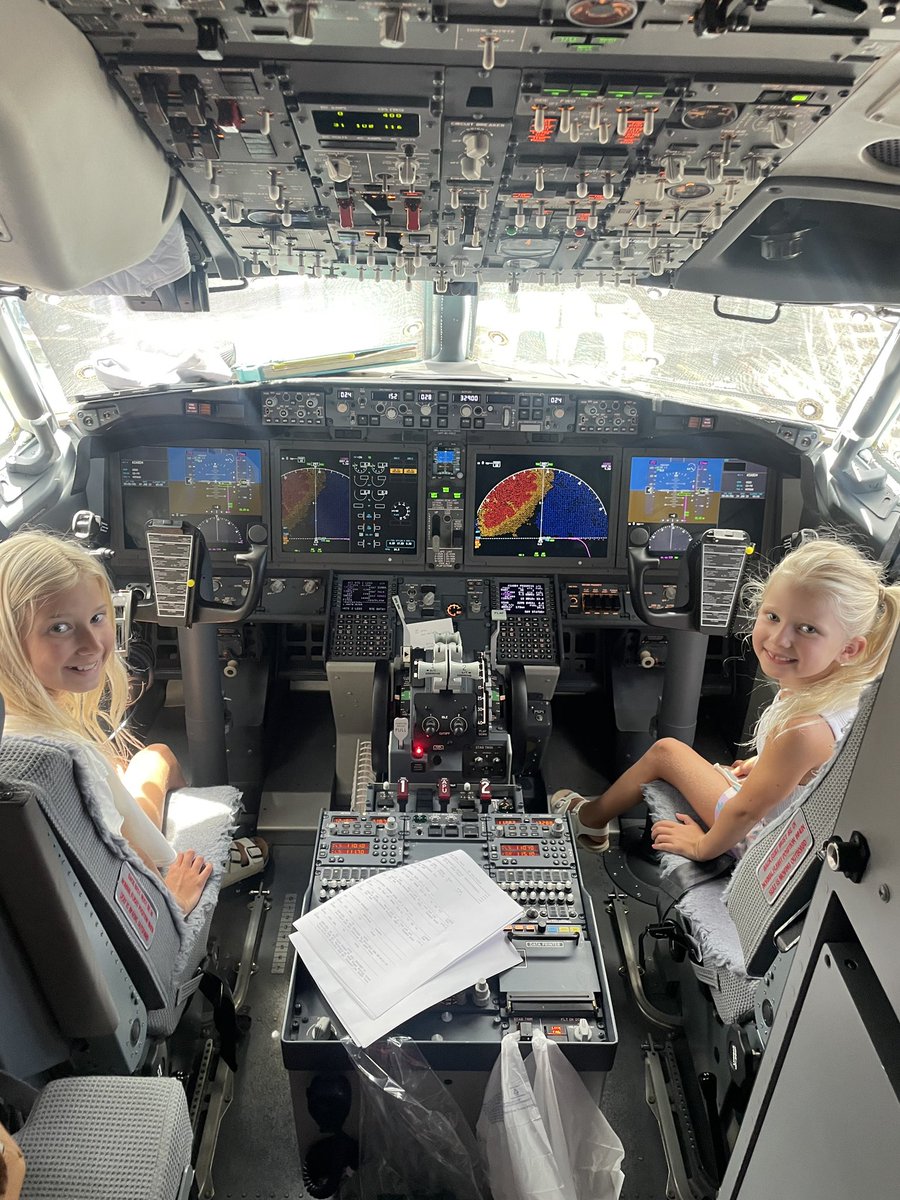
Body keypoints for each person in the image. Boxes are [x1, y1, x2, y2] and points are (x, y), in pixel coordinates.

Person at [551, 537, 900, 861]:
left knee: (665, 752)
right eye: (773, 616)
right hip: (797, 826)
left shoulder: (803, 729)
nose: (779, 639)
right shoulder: (851, 691)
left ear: (850, 649)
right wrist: (766, 765)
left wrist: (700, 847)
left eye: (807, 629)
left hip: (764, 843)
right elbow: (814, 767)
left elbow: (745, 812)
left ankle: (589, 820)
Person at [0, 530, 266, 915]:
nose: (93, 644)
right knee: (156, 761)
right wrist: (172, 897)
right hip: (145, 898)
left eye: (97, 617)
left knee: (155, 757)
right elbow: (124, 866)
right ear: (9, 639)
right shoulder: (72, 761)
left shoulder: (21, 733)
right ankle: (217, 859)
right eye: (59, 627)